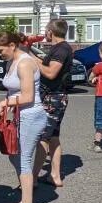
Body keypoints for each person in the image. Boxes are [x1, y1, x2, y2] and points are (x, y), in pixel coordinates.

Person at [0, 31, 47, 203]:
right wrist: (5, 106)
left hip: (31, 115)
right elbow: (14, 92)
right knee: (15, 157)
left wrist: (5, 104)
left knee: (23, 160)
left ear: (12, 45)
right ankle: (26, 197)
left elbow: (27, 96)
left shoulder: (24, 63)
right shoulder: (12, 61)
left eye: (1, 50)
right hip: (21, 114)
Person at [33, 19, 74, 188]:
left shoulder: (61, 49)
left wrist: (32, 59)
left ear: (51, 31)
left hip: (53, 98)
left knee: (43, 137)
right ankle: (55, 176)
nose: (45, 33)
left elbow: (50, 73)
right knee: (53, 137)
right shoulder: (59, 48)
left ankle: (32, 178)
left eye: (46, 30)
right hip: (56, 97)